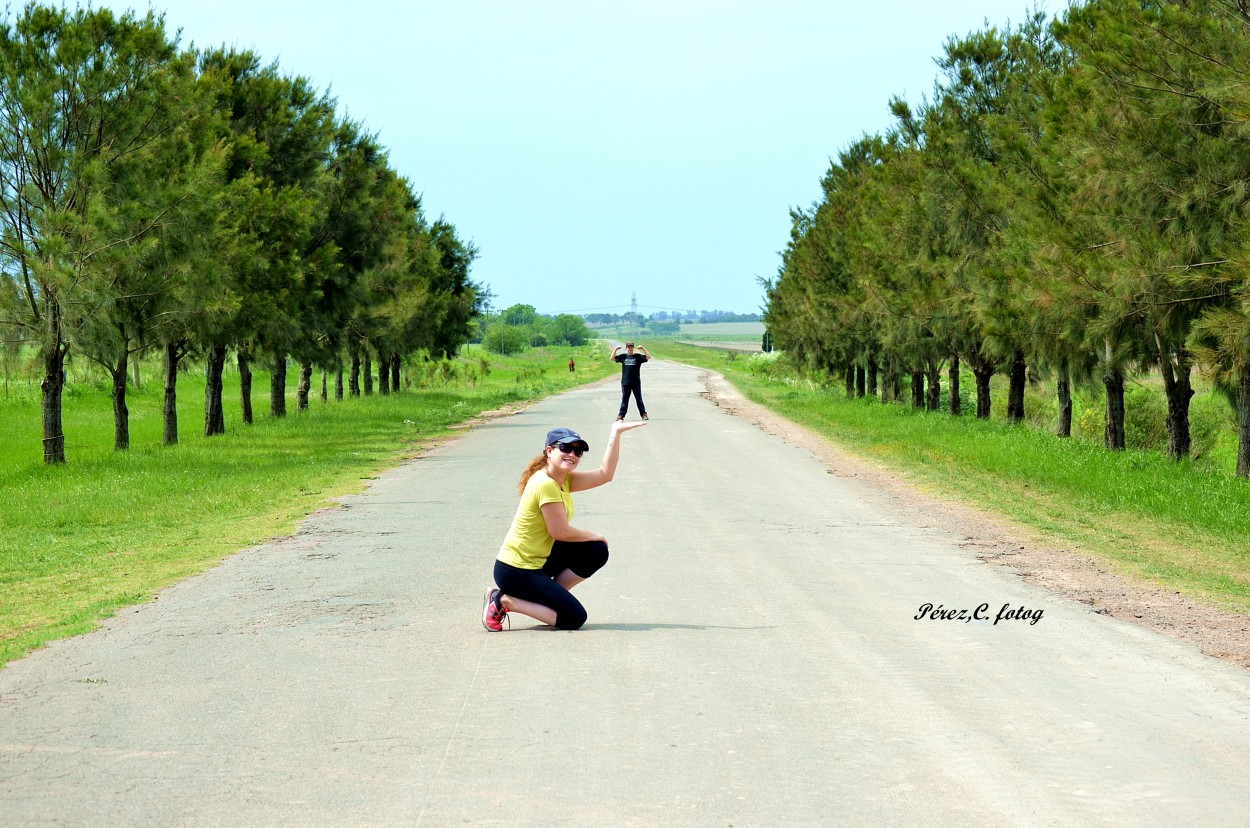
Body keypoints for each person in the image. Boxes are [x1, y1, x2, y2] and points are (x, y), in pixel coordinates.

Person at [483, 420, 646, 631]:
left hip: (538, 561)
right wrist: (596, 534)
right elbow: (559, 531)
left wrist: (615, 433)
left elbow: (605, 474)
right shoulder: (544, 483)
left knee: (596, 551)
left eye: (578, 452)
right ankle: (504, 600)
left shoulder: (563, 479)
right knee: (574, 618)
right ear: (549, 451)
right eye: (566, 448)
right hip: (517, 571)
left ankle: (549, 597)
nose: (572, 455)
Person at [611, 341, 650, 421]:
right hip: (625, 382)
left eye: (631, 347)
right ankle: (621, 415)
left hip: (636, 382)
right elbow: (612, 358)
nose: (630, 348)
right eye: (629, 347)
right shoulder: (623, 357)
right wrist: (615, 349)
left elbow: (648, 357)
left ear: (633, 348)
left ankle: (643, 414)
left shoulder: (638, 357)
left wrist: (643, 348)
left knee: (639, 399)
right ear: (626, 348)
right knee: (625, 400)